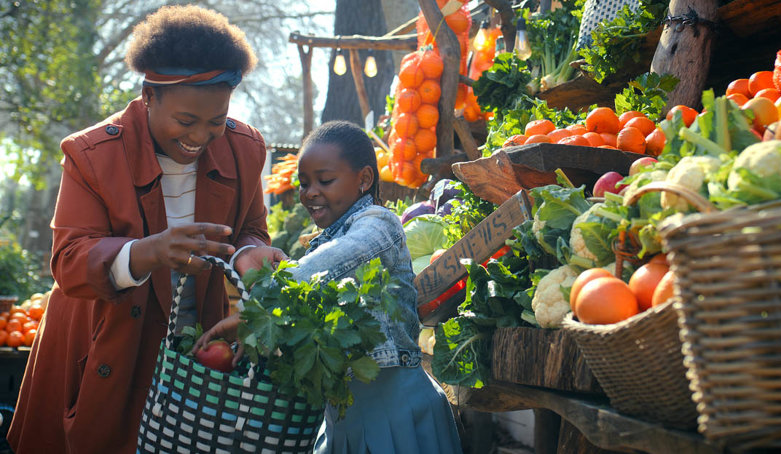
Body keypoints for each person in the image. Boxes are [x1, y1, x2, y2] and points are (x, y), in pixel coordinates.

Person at [8, 5, 287, 453]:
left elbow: (251, 229)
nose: (201, 136)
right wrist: (149, 251)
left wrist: (248, 252)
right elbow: (69, 261)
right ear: (148, 96)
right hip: (105, 344)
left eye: (216, 120)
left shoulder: (245, 149)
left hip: (194, 352)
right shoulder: (91, 154)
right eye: (186, 121)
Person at [196, 120, 463, 454]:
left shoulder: (379, 223)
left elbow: (339, 259)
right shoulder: (319, 243)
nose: (310, 193)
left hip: (395, 411)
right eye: (304, 183)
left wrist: (259, 310)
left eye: (325, 181)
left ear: (364, 179)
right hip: (342, 420)